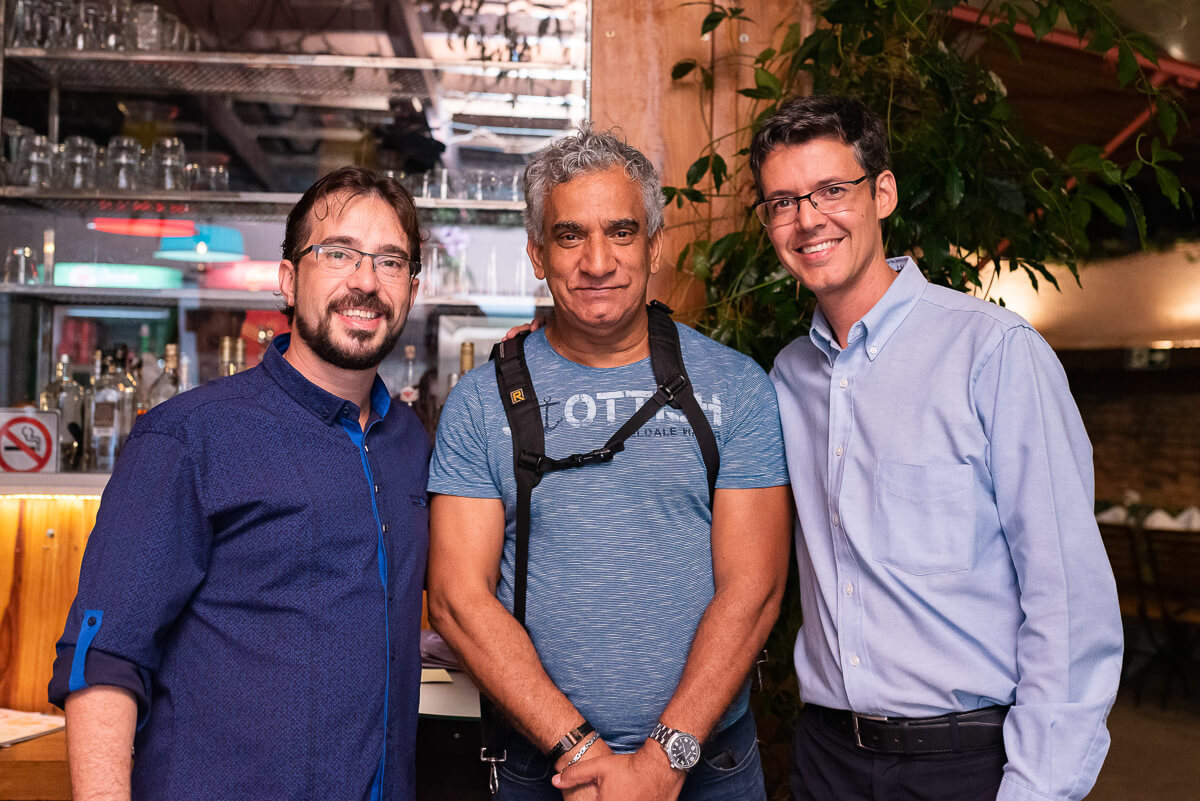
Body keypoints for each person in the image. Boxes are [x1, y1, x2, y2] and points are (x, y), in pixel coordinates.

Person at [750, 94, 1123, 801]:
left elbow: (1067, 599)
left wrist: (1037, 788)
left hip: (966, 763)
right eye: (783, 201)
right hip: (826, 757)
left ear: (883, 192)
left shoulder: (994, 352)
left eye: (833, 189)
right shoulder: (787, 378)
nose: (808, 218)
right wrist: (559, 345)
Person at [426, 124, 792, 801]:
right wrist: (583, 751)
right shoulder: (481, 404)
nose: (597, 261)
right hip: (548, 771)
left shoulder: (735, 386)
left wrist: (663, 760)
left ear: (653, 245)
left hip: (709, 770)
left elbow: (755, 588)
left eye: (621, 232)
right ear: (538, 254)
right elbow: (457, 598)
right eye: (570, 236)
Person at [48, 166, 430, 801]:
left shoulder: (409, 443)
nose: (365, 281)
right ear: (288, 279)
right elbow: (105, 656)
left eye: (390, 262)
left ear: (410, 291)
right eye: (337, 254)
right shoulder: (187, 437)